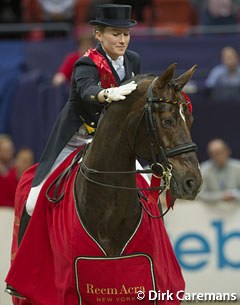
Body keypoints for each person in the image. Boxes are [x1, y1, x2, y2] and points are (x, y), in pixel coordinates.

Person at [24, 4, 140, 221]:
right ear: (98, 34)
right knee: (32, 203)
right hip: (75, 139)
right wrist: (107, 93)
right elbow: (88, 90)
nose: (122, 40)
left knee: (144, 189)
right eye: (115, 34)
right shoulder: (86, 62)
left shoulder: (133, 59)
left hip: (109, 141)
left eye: (126, 34)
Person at [198, 138, 240, 203]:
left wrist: (234, 196)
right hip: (212, 210)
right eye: (215, 153)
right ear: (210, 155)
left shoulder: (238, 167)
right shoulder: (204, 169)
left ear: (228, 151)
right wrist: (220, 197)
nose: (219, 156)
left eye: (221, 152)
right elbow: (201, 194)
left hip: (236, 208)